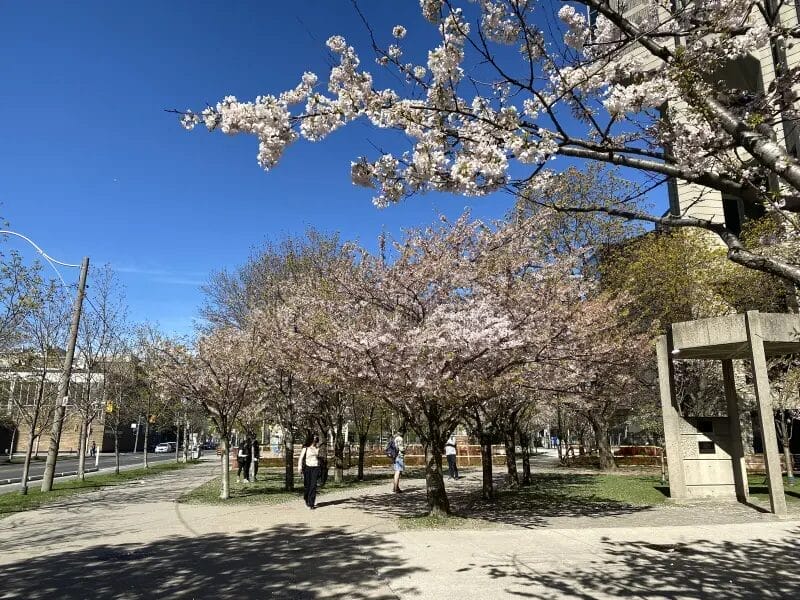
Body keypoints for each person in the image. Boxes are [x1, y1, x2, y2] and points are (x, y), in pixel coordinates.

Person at [298, 434, 321, 509]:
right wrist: (299, 467)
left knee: (313, 485)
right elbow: (301, 458)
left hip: (315, 467)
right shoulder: (306, 448)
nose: (315, 440)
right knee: (307, 485)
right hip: (307, 468)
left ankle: (311, 503)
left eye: (316, 439)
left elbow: (319, 458)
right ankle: (306, 498)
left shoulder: (317, 448)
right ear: (311, 439)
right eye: (313, 439)